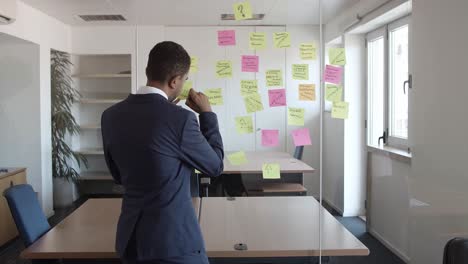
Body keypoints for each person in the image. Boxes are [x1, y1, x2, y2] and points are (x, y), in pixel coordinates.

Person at [101, 41, 224, 264]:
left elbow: (119, 175)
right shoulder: (181, 120)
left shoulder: (110, 115)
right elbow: (215, 166)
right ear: (175, 81)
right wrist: (207, 115)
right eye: (184, 79)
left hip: (131, 243)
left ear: (149, 71)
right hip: (172, 245)